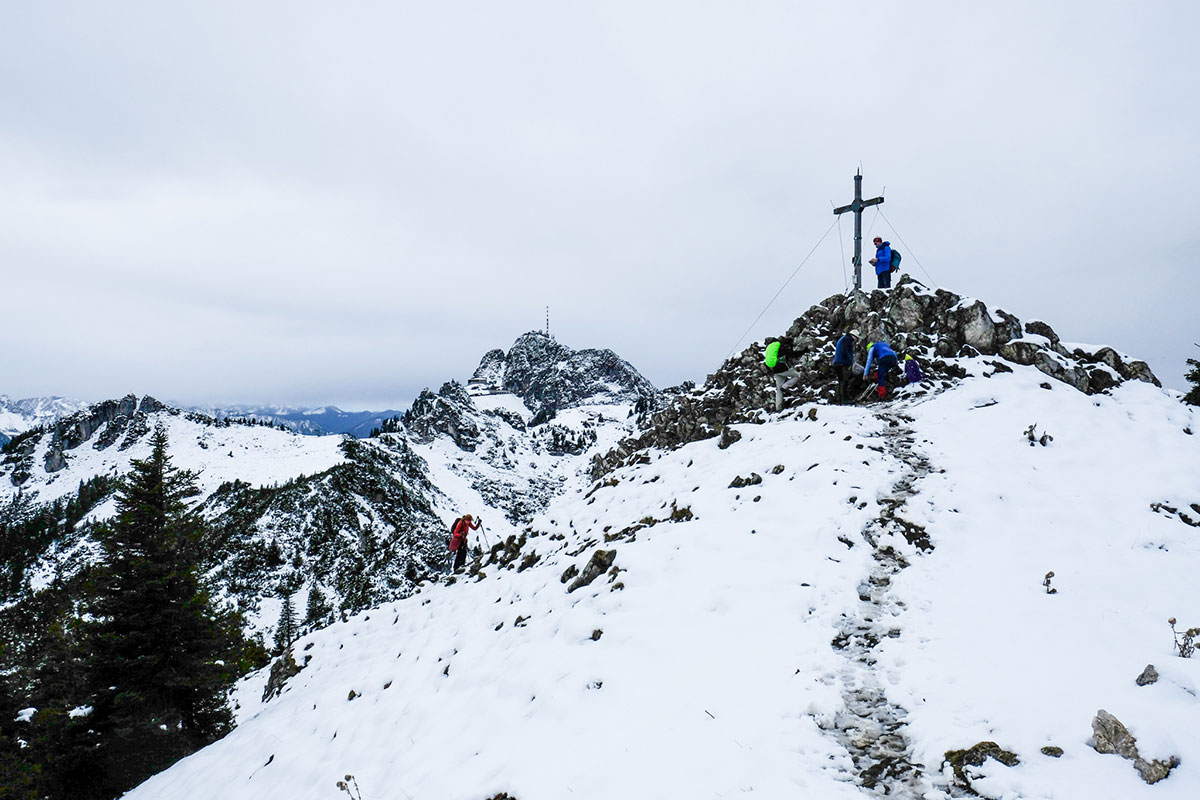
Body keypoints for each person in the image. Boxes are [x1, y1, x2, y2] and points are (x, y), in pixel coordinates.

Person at [764, 338, 802, 412]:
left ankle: (778, 408)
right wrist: (803, 351)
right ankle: (785, 386)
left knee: (778, 389)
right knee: (797, 375)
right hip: (782, 368)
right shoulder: (781, 346)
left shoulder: (770, 347)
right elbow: (791, 354)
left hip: (774, 369)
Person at [833, 328, 860, 404]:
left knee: (841, 381)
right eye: (856, 338)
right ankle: (844, 400)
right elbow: (846, 351)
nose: (855, 341)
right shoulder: (847, 340)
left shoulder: (843, 338)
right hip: (842, 363)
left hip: (837, 363)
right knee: (845, 382)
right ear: (854, 336)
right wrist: (850, 361)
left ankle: (840, 400)